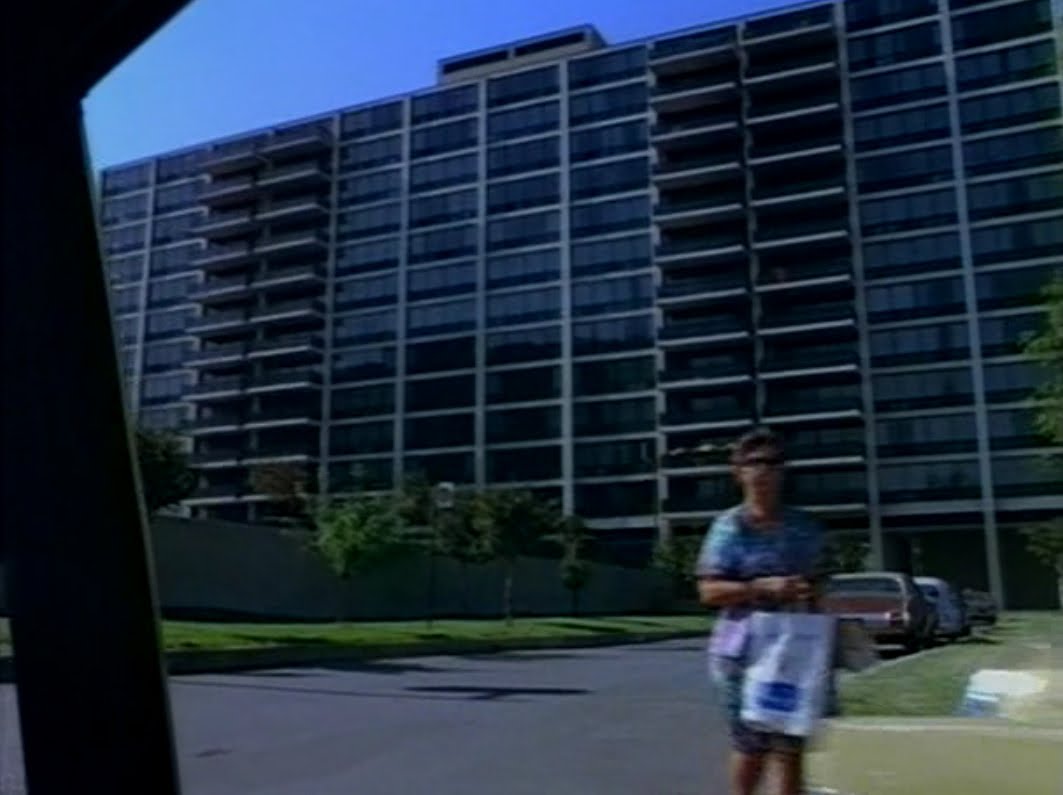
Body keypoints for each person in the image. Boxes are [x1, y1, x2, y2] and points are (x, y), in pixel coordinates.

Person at [695, 427, 828, 795]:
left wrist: (813, 599)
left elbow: (822, 586)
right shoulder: (729, 527)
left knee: (790, 743)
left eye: (773, 463)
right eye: (754, 463)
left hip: (796, 649)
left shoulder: (805, 527)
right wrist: (760, 588)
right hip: (743, 653)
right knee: (751, 743)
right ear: (738, 472)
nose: (764, 471)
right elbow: (709, 591)